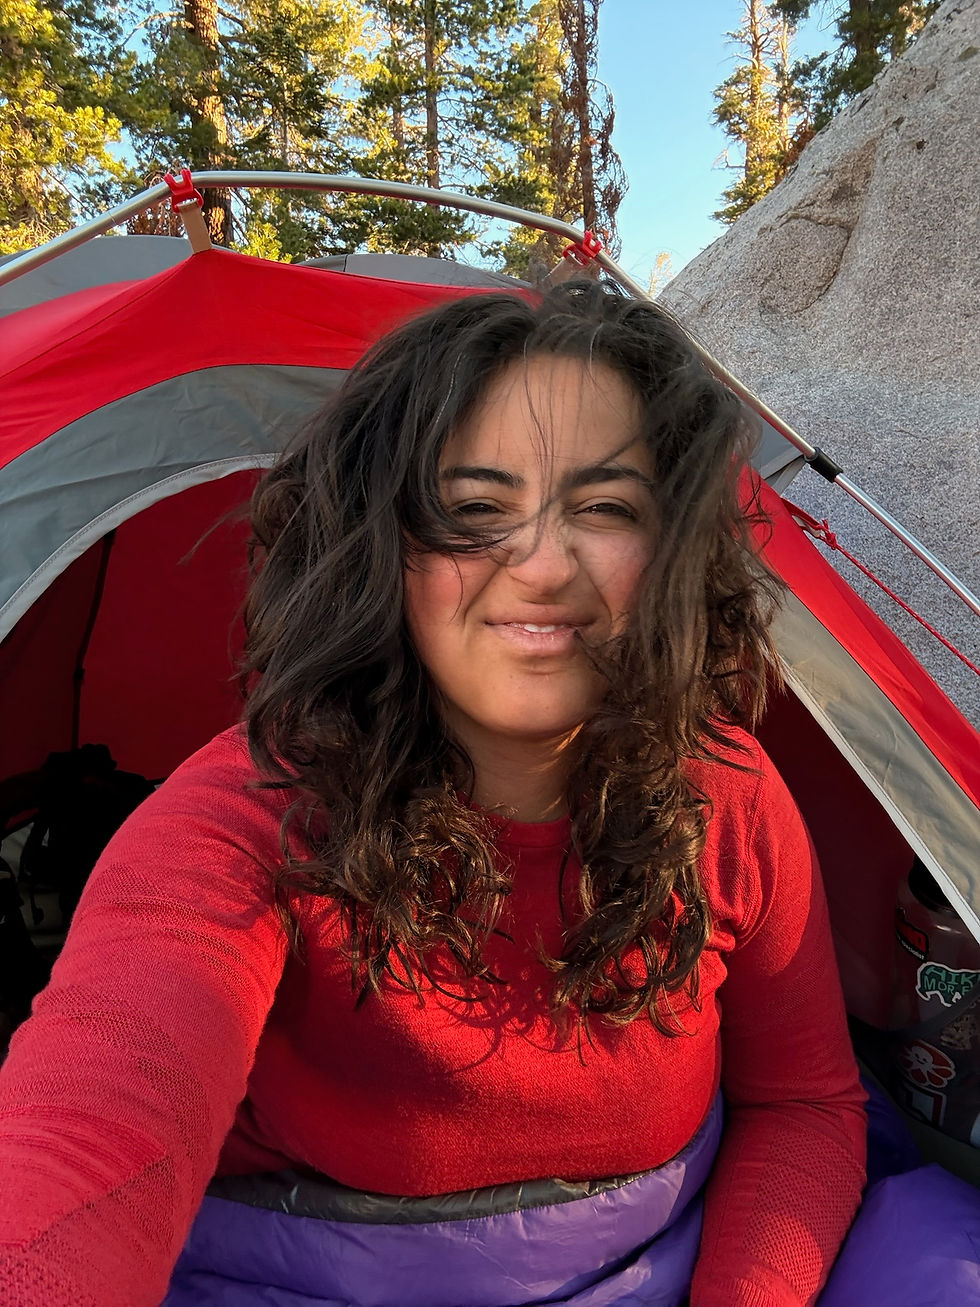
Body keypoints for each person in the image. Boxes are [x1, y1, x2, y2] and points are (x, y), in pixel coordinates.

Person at [0, 282, 866, 1306]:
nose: (543, 565)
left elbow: (801, 1099)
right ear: (384, 549)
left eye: (603, 506)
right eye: (472, 510)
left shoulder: (725, 794)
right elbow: (92, 1131)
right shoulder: (244, 819)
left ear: (671, 550)